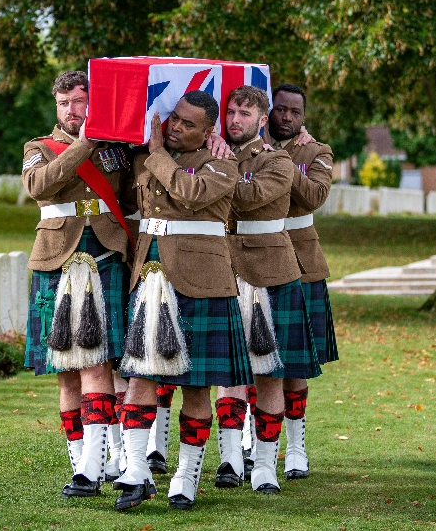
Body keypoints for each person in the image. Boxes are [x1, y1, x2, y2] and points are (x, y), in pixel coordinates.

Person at [114, 90, 252, 511]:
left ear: (210, 132)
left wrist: (156, 154)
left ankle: (187, 474)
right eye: (174, 117)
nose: (175, 126)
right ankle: (136, 472)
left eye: (188, 124)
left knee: (196, 387)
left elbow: (189, 193)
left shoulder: (224, 163)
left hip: (203, 282)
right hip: (151, 275)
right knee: (140, 377)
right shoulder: (145, 156)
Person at [21, 70, 138, 499]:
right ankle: (80, 465)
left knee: (98, 363)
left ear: (94, 103)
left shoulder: (118, 151)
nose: (73, 110)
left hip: (107, 254)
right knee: (65, 370)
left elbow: (134, 198)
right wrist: (85, 142)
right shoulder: (37, 149)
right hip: (56, 260)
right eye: (65, 103)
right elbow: (39, 185)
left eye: (80, 101)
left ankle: (94, 464)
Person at [216, 85, 320, 495]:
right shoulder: (211, 156)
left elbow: (248, 199)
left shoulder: (277, 160)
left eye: (245, 113)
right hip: (221, 269)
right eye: (231, 112)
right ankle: (228, 459)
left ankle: (264, 464)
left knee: (270, 372)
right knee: (227, 372)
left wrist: (215, 171)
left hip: (271, 271)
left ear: (262, 120)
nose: (235, 119)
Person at [265, 83, 339, 481]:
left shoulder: (317, 152)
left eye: (295, 111)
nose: (288, 117)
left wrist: (280, 160)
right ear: (269, 111)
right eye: (281, 109)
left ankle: (296, 448)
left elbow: (313, 196)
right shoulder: (245, 147)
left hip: (300, 261)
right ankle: (251, 442)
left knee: (294, 362)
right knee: (252, 358)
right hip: (253, 260)